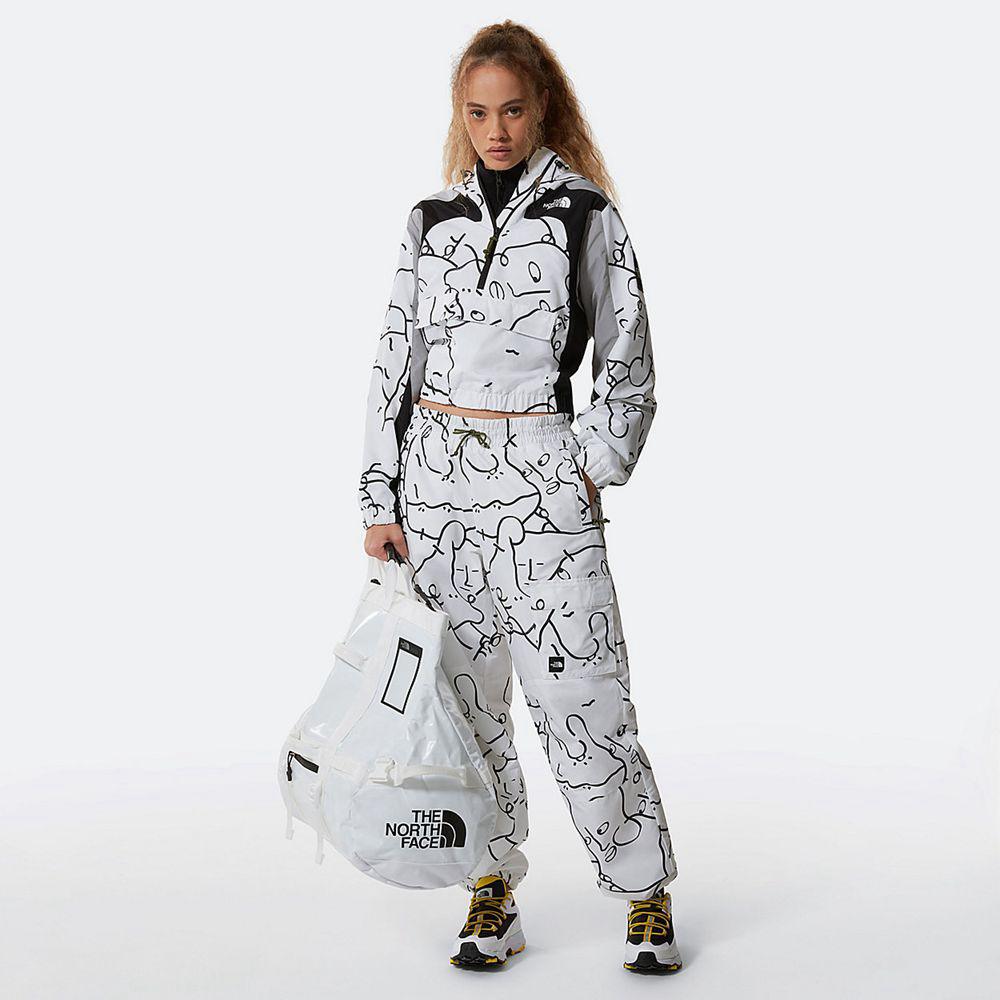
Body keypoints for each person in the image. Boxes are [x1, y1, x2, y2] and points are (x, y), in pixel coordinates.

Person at [358, 20, 681, 975]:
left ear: (541, 107)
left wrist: (585, 465)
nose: (494, 130)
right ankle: (490, 889)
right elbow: (393, 362)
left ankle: (646, 893)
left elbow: (629, 361)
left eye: (510, 110)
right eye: (477, 112)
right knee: (465, 707)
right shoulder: (430, 220)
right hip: (438, 488)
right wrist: (381, 498)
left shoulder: (585, 214)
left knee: (584, 694)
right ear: (459, 115)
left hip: (541, 479)